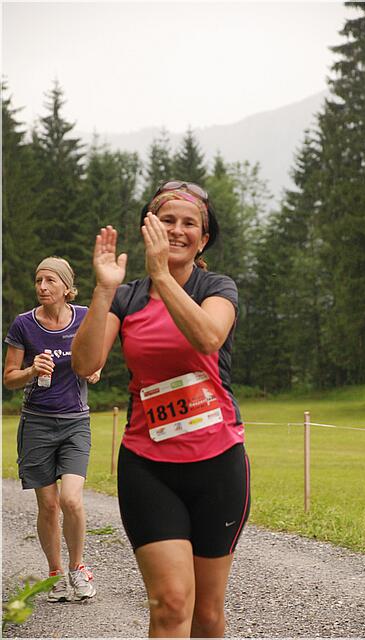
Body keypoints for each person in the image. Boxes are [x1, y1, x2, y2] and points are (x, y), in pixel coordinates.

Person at [71, 180, 251, 637]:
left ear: (203, 239)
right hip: (149, 468)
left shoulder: (217, 287)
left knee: (206, 614)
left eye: (190, 223)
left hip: (218, 465)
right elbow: (85, 363)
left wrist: (164, 278)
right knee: (171, 604)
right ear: (148, 227)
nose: (177, 229)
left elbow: (209, 337)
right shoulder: (128, 297)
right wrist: (103, 290)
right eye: (166, 220)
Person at [3, 257, 99, 602]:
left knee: (71, 499)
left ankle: (78, 568)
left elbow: (96, 357)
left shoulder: (85, 317)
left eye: (49, 281)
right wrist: (30, 371)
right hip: (37, 424)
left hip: (75, 422)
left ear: (66, 287)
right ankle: (55, 573)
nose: (42, 287)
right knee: (48, 506)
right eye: (38, 280)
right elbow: (9, 378)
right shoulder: (24, 324)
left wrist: (94, 369)